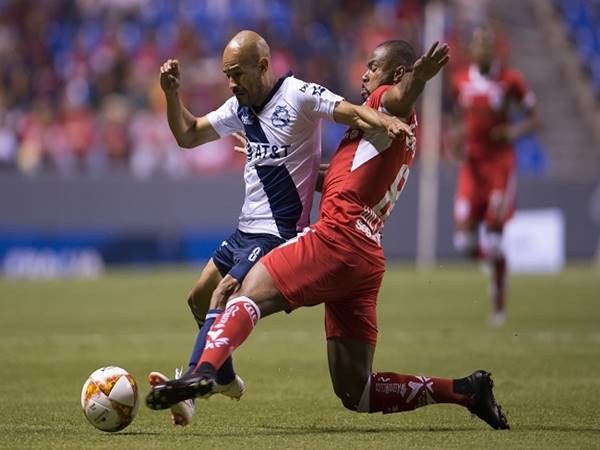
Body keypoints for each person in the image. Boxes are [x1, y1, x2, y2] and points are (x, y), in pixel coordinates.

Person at [147, 39, 510, 430]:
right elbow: (328, 176)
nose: (366, 74)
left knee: (244, 294)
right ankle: (465, 390)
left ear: (396, 74)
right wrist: (267, 154)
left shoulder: (385, 105)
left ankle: (202, 374)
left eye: (374, 66)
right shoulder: (373, 135)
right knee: (358, 392)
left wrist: (418, 79)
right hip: (364, 259)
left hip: (336, 239)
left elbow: (399, 98)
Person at [150, 30, 411, 426]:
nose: (232, 83)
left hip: (278, 232)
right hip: (244, 230)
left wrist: (384, 120)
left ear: (263, 66)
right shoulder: (239, 107)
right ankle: (224, 378)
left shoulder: (299, 95)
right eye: (227, 75)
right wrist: (172, 96)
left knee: (224, 293)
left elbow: (348, 110)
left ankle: (190, 388)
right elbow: (187, 135)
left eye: (238, 74)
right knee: (198, 299)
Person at [449, 26, 540, 326]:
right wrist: (456, 140)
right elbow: (458, 118)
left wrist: (513, 131)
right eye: (479, 44)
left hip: (499, 166)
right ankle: (493, 264)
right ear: (471, 50)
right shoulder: (461, 80)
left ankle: (498, 304)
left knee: (497, 240)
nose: (484, 49)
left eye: (489, 44)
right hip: (472, 168)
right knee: (463, 242)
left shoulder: (511, 80)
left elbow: (536, 119)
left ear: (495, 48)